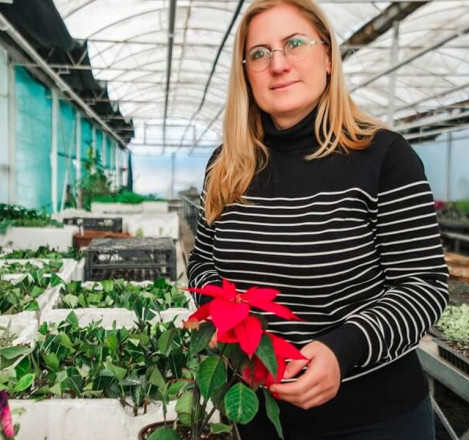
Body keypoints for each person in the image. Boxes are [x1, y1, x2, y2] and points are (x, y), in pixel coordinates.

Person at [186, 0, 448, 439]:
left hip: (372, 418)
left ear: (327, 56)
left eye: (294, 43)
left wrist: (341, 349)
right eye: (260, 53)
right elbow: (203, 262)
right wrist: (219, 316)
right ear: (246, 72)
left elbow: (423, 286)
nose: (279, 64)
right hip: (257, 414)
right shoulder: (228, 163)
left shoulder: (383, 155)